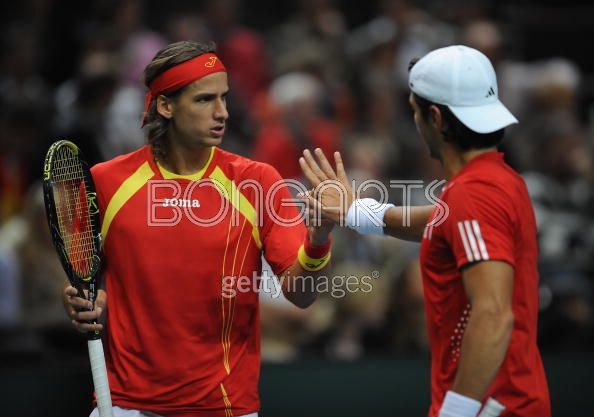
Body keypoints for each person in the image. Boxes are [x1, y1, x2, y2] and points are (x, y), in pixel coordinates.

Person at [62, 40, 334, 417]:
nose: (222, 112)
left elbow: (301, 296)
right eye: (205, 100)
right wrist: (79, 302)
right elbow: (87, 284)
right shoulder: (105, 182)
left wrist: (318, 239)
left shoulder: (257, 182)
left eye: (224, 98)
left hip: (223, 407)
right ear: (166, 106)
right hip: (124, 404)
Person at [300, 45, 550, 417]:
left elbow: (493, 314)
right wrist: (356, 211)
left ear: (435, 118)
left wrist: (455, 412)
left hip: (491, 408)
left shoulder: (473, 195)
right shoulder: (500, 182)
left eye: (415, 111)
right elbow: (442, 221)